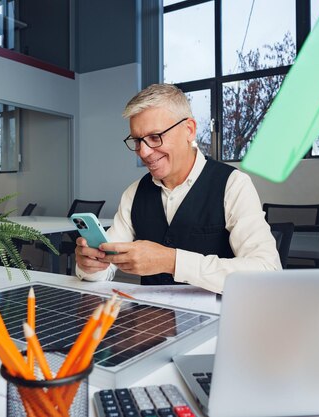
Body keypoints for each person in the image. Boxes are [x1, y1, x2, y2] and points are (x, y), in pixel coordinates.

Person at [75, 84, 280, 294]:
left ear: (189, 130)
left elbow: (267, 272)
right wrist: (89, 267)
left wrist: (172, 261)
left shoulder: (233, 184)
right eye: (137, 140)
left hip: (221, 320)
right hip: (150, 321)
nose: (143, 152)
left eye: (155, 137)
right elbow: (102, 268)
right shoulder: (133, 193)